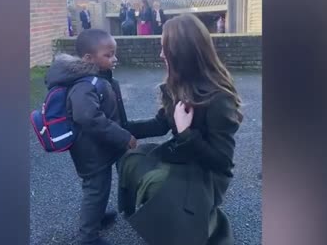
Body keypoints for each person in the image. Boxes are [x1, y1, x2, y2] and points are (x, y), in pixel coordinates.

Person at [117, 14, 243, 245]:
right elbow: (159, 124)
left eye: (165, 48)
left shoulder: (218, 98)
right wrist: (119, 128)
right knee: (131, 159)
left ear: (181, 52)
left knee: (157, 182)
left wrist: (186, 134)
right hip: (182, 155)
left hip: (207, 172)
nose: (161, 54)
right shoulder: (176, 84)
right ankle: (158, 217)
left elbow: (223, 162)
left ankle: (204, 223)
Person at [44, 29, 138, 245]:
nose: (115, 59)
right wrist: (123, 137)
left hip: (96, 148)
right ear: (89, 58)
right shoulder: (84, 85)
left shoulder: (92, 78)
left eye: (114, 53)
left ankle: (96, 217)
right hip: (90, 151)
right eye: (109, 55)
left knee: (100, 188)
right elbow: (88, 116)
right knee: (95, 190)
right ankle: (87, 237)